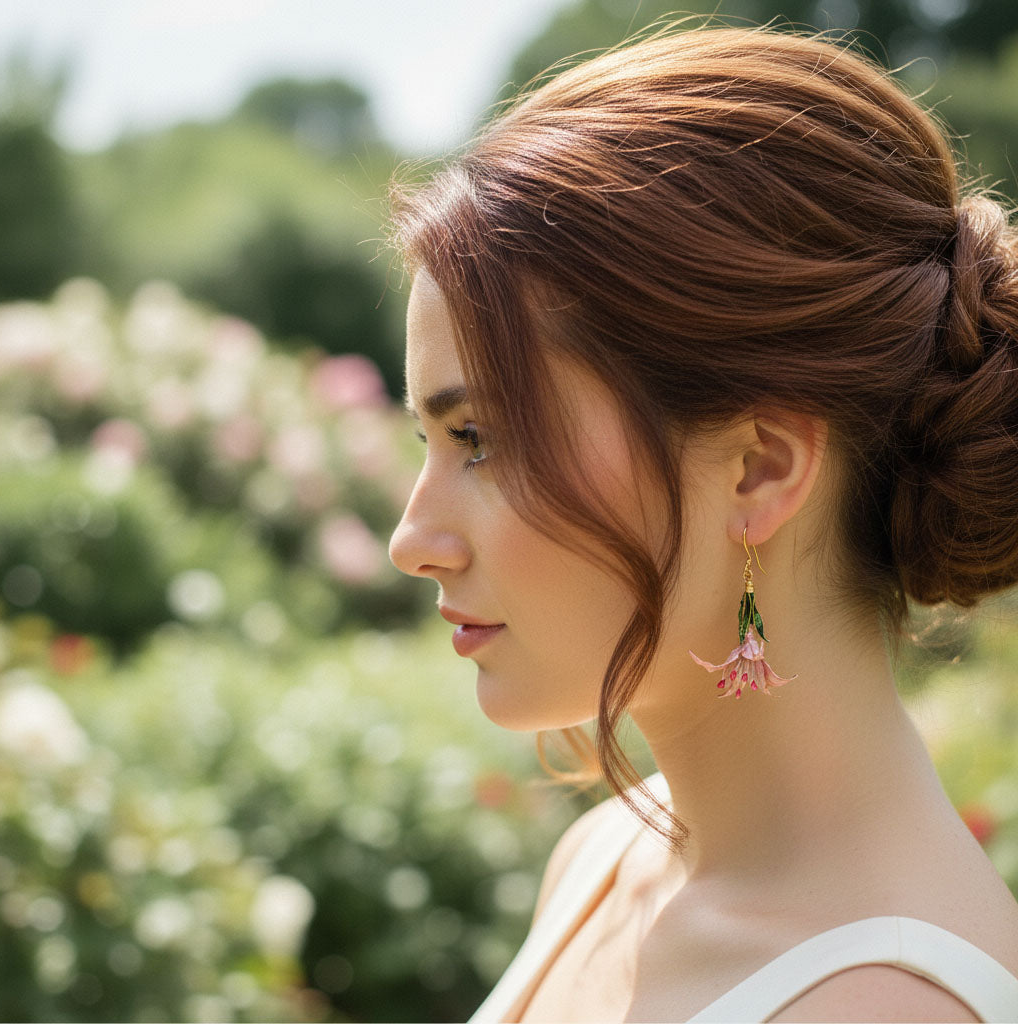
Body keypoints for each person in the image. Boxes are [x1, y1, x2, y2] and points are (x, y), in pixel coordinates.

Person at [386, 22, 1018, 1023]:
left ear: (758, 470)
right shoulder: (604, 862)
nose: (411, 538)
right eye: (429, 439)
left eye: (483, 437)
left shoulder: (882, 1008)